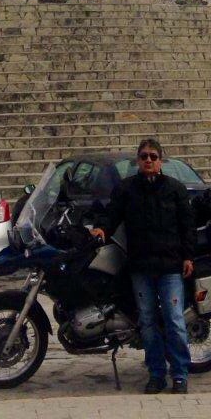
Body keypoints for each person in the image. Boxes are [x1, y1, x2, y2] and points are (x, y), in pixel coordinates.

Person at [89, 138, 194, 395]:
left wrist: (188, 257)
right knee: (146, 322)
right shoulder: (126, 189)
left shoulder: (175, 189)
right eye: (144, 156)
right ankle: (156, 373)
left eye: (153, 156)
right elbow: (112, 215)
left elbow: (187, 227)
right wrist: (101, 228)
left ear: (160, 161)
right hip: (141, 267)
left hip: (169, 266)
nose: (149, 160)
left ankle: (180, 374)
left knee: (175, 321)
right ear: (138, 160)